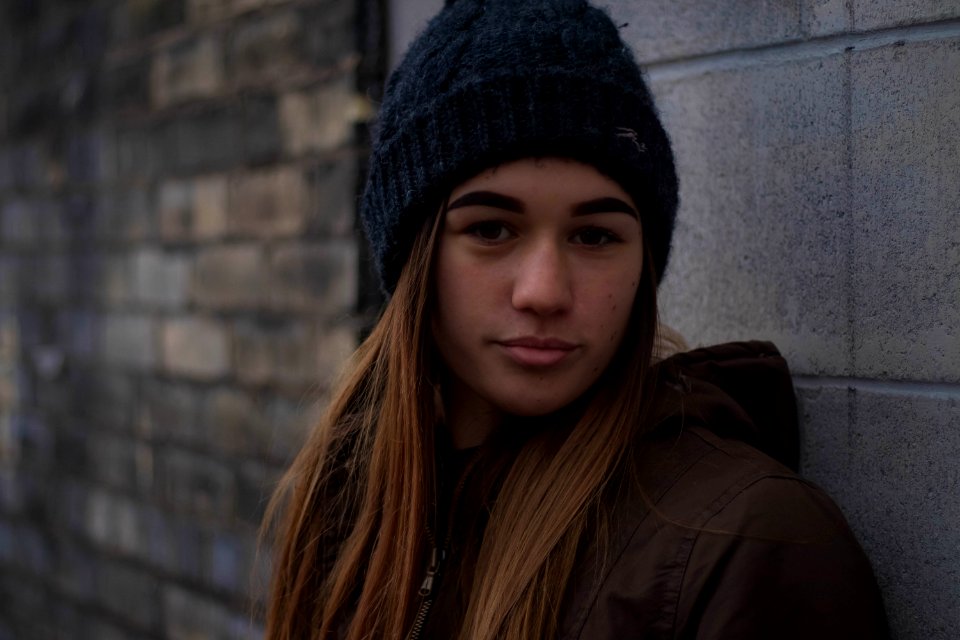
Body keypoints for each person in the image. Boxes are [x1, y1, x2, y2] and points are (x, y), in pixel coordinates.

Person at [263, 1, 890, 638]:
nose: (544, 292)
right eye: (490, 229)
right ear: (414, 257)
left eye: (593, 236)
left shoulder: (749, 547)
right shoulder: (349, 502)